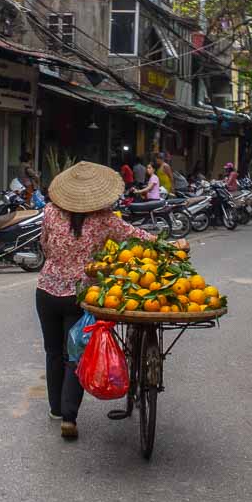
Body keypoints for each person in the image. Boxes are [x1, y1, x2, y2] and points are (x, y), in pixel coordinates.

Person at [37, 162, 160, 440]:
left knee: (53, 351)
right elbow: (135, 235)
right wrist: (166, 244)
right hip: (81, 296)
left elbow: (44, 246)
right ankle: (69, 417)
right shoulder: (104, 219)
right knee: (74, 355)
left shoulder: (49, 212)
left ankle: (56, 408)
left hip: (46, 290)